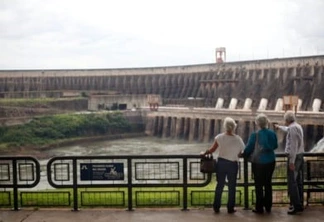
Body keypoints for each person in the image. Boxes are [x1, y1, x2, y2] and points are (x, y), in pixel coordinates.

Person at [205, 117, 245, 214]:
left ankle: (216, 206)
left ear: (225, 126)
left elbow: (212, 150)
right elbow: (241, 152)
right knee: (232, 187)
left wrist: (205, 152)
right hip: (233, 164)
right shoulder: (238, 139)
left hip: (221, 163)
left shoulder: (219, 137)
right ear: (234, 127)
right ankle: (230, 208)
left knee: (220, 185)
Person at [240, 113, 278, 214]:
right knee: (268, 183)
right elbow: (275, 146)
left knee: (258, 185)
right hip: (271, 161)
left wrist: (243, 154)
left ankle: (259, 207)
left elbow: (249, 148)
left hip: (259, 162)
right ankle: (268, 206)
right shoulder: (272, 133)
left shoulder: (255, 135)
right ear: (266, 122)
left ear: (257, 123)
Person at [274, 111, 304, 215]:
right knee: (298, 181)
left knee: (292, 182)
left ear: (287, 120)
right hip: (300, 156)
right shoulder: (297, 126)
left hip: (295, 157)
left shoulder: (292, 128)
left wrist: (291, 161)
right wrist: (279, 127)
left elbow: (293, 146)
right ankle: (300, 203)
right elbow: (288, 129)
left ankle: (296, 206)